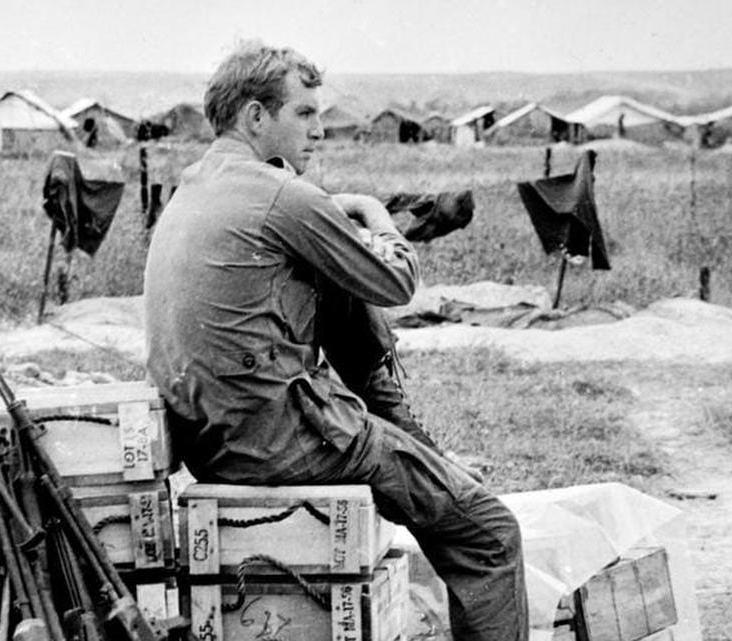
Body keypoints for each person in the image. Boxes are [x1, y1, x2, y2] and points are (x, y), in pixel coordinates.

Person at [143, 42, 528, 641]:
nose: (319, 131)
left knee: (327, 278)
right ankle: (409, 442)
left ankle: (405, 438)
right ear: (255, 116)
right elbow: (396, 282)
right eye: (304, 114)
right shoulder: (285, 196)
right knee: (490, 533)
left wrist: (327, 213)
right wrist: (374, 214)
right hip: (284, 442)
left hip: (214, 444)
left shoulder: (194, 188)